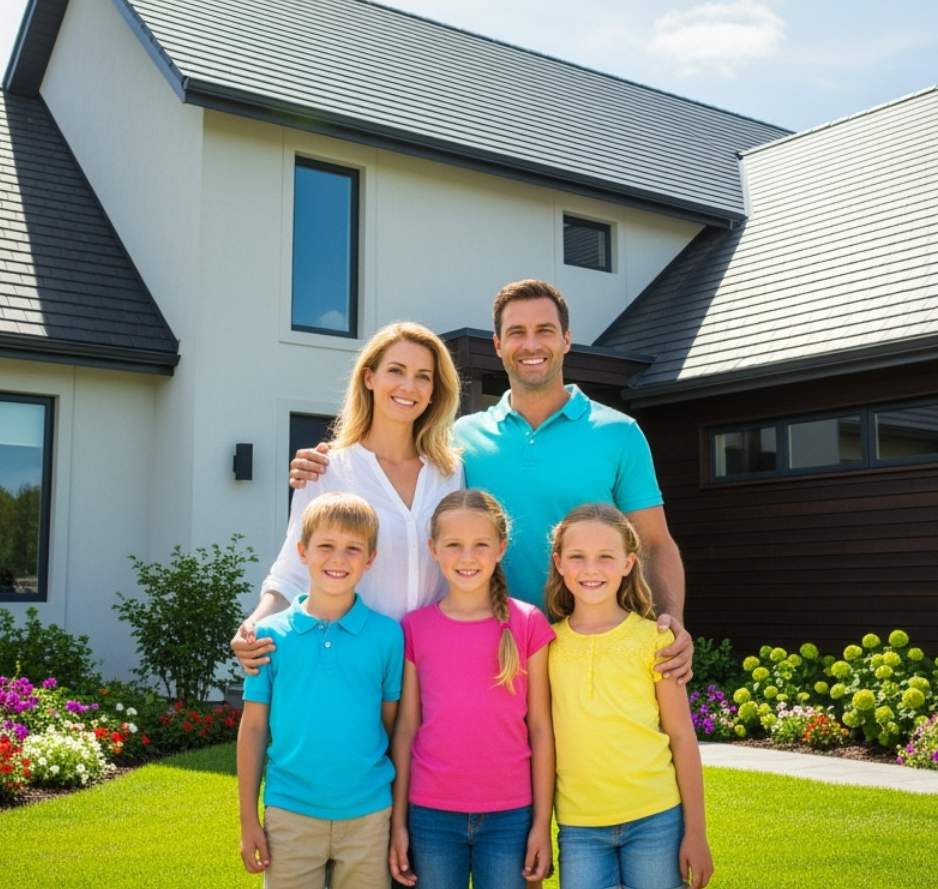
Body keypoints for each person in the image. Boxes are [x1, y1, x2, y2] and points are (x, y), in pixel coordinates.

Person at [291, 280, 694, 681]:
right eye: (516, 332)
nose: (531, 344)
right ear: (498, 346)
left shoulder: (619, 433)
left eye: (545, 331)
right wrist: (327, 461)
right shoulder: (458, 441)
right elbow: (388, 455)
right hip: (490, 658)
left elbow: (655, 544)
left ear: (567, 340)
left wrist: (670, 622)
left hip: (593, 651)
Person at [236, 321, 464, 672]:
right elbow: (294, 570)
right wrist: (254, 625)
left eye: (423, 376)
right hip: (353, 668)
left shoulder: (450, 473)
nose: (408, 386)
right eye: (396, 370)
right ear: (369, 378)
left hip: (435, 668)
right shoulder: (327, 469)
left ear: (435, 390)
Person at [237, 492, 405, 889]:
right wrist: (248, 818)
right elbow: (255, 728)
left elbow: (390, 724)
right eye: (326, 546)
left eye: (353, 548)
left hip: (368, 815)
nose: (338, 558)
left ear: (370, 558)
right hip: (290, 813)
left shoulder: (388, 635)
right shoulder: (268, 635)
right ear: (302, 551)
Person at [389, 489, 555, 889]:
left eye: (480, 545)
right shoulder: (415, 627)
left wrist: (540, 824)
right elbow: (407, 728)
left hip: (511, 815)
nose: (467, 557)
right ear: (433, 548)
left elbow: (541, 729)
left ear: (501, 547)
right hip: (430, 813)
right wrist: (398, 822)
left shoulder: (529, 622)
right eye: (454, 545)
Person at [545, 503, 712, 889]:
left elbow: (683, 738)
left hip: (656, 819)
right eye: (577, 557)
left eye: (606, 556)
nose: (591, 568)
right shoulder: (546, 645)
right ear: (558, 563)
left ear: (628, 563)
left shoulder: (655, 639)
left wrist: (696, 832)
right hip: (579, 826)